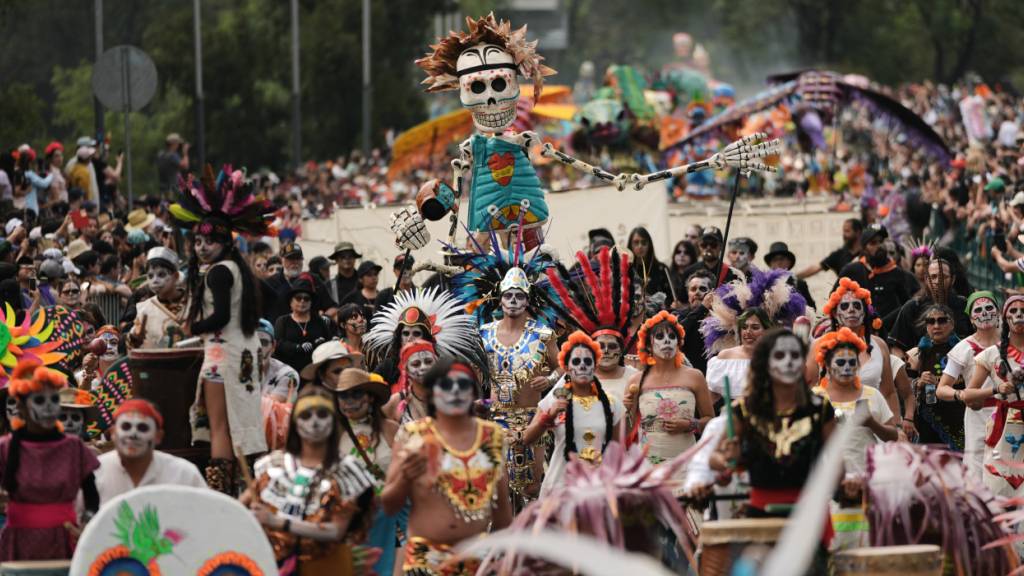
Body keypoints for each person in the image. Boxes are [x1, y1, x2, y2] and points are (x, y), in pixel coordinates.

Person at [173, 165, 270, 494]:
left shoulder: (218, 273)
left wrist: (193, 326)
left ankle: (222, 492)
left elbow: (219, 317)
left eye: (210, 240)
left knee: (220, 428)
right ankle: (240, 487)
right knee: (239, 424)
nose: (201, 247)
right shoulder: (234, 268)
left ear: (225, 242)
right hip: (242, 352)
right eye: (198, 240)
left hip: (221, 356)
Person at [710, 329, 837, 569]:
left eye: (795, 355)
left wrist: (845, 481)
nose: (788, 361)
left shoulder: (820, 409)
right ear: (765, 364)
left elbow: (838, 461)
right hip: (760, 516)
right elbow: (715, 459)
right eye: (780, 355)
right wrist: (727, 459)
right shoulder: (745, 410)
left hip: (809, 515)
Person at [382, 359, 512, 576]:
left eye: (463, 385)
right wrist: (404, 477)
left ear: (473, 392)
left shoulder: (492, 436)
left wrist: (503, 560)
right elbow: (389, 506)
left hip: (477, 563)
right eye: (446, 385)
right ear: (432, 393)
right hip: (424, 563)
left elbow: (503, 515)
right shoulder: (413, 435)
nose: (455, 392)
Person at [242, 386, 378, 574]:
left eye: (322, 414)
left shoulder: (348, 469)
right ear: (296, 423)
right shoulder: (272, 465)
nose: (314, 422)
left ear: (333, 421)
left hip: (328, 566)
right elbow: (240, 508)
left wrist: (278, 521)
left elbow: (335, 531)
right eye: (306, 415)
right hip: (276, 565)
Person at [0, 361, 100, 561]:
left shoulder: (75, 447)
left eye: (53, 399)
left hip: (65, 539)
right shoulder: (5, 447)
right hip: (18, 541)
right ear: (22, 407)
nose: (48, 407)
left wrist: (86, 526)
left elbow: (92, 498)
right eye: (39, 401)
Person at [522, 331, 624, 496]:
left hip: (598, 491)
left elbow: (618, 452)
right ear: (567, 368)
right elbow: (527, 438)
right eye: (576, 361)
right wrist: (549, 415)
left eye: (587, 361)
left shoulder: (613, 404)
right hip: (560, 488)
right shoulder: (554, 401)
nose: (582, 365)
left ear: (595, 365)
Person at [624, 312, 713, 484]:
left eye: (672, 336)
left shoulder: (695, 376)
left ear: (679, 343)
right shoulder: (636, 380)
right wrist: (627, 408)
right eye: (659, 336)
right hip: (650, 467)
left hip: (686, 465)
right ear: (648, 345)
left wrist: (690, 424)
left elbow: (710, 421)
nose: (666, 341)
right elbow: (627, 431)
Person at [333, 368, 400, 576]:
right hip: (349, 521)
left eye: (356, 394)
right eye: (343, 396)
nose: (349, 401)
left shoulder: (391, 429)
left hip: (388, 519)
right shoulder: (332, 434)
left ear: (370, 398)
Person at [810, 278, 900, 417]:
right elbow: (808, 389)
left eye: (857, 306)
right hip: (832, 426)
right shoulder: (819, 345)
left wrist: (896, 427)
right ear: (834, 313)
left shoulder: (879, 345)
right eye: (845, 306)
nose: (851, 309)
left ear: (864, 313)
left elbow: (889, 392)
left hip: (875, 427)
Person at [937, 291, 1000, 481]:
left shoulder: (1012, 342)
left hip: (1011, 413)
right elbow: (942, 388)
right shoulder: (963, 348)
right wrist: (960, 395)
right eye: (978, 310)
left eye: (989, 308)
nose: (984, 313)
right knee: (977, 470)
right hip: (977, 417)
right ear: (971, 319)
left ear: (998, 313)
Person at [94, 399, 206, 505]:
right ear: (113, 432)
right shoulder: (95, 473)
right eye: (126, 427)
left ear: (158, 436)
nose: (133, 435)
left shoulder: (184, 475)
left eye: (142, 428)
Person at [969, 295, 1024, 497]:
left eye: (1023, 311)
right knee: (1000, 492)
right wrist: (996, 390)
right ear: (1004, 317)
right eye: (1013, 311)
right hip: (1004, 429)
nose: (1019, 315)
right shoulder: (990, 355)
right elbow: (970, 396)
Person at [835, 224, 918, 331]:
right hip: (859, 333)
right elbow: (834, 299)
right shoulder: (852, 270)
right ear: (864, 248)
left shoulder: (897, 272)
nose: (879, 246)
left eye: (881, 241)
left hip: (890, 333)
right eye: (873, 243)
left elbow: (906, 305)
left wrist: (883, 324)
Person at [905, 304, 963, 450]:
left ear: (952, 324)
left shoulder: (964, 350)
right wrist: (918, 382)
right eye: (931, 321)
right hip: (928, 419)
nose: (936, 325)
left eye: (942, 320)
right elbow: (904, 389)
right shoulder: (915, 354)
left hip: (960, 417)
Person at [888, 258, 972, 356]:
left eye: (943, 277)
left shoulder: (964, 305)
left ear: (952, 280)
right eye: (933, 277)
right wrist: (906, 368)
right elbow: (896, 346)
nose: (938, 281)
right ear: (927, 279)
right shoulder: (913, 307)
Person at [127, 246, 189, 349]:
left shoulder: (194, 303)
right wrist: (134, 337)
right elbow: (132, 346)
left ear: (176, 276)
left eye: (161, 274)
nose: (155, 281)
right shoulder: (144, 309)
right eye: (150, 276)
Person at [706, 307, 772, 403]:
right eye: (744, 327)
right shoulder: (725, 358)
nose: (748, 332)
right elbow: (711, 397)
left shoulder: (775, 357)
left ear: (766, 331)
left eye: (755, 327)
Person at [274, 275, 336, 374]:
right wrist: (297, 347)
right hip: (288, 372)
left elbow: (329, 342)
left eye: (306, 298)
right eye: (298, 298)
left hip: (315, 372)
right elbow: (278, 344)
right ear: (291, 302)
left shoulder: (319, 321)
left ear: (311, 303)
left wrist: (320, 343)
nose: (302, 301)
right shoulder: (282, 321)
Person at [265, 243, 336, 323]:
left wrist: (322, 320)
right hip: (278, 333)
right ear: (282, 260)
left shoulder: (313, 280)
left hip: (309, 332)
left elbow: (332, 307)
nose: (295, 262)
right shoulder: (270, 283)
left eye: (298, 258)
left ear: (302, 260)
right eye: (290, 259)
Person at [383, 342, 437, 424]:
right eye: (416, 364)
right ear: (406, 369)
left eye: (428, 362)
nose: (423, 367)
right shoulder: (395, 402)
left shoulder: (449, 396)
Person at [797, 217, 862, 280]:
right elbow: (816, 268)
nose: (844, 235)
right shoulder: (839, 255)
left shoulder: (866, 253)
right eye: (843, 231)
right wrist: (793, 278)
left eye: (847, 231)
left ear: (858, 232)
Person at [627, 226, 673, 305]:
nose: (640, 246)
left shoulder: (662, 269)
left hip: (658, 313)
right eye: (636, 242)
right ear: (630, 245)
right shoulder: (625, 269)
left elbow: (671, 298)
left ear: (649, 245)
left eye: (644, 243)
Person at [764, 241, 816, 309]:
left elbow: (812, 307)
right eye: (775, 260)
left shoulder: (799, 283)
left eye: (781, 259)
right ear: (770, 264)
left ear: (789, 262)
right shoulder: (765, 285)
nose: (778, 262)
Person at [156, 133, 190, 198]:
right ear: (174, 144)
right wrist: (185, 153)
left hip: (163, 189)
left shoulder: (160, 155)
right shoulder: (172, 155)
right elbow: (186, 166)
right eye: (178, 144)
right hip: (173, 189)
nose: (178, 146)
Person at [329, 241, 362, 305]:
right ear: (336, 260)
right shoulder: (330, 285)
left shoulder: (364, 281)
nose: (347, 259)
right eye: (342, 257)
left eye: (350, 256)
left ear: (355, 259)